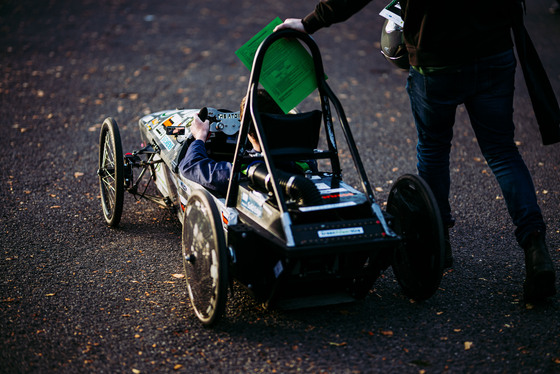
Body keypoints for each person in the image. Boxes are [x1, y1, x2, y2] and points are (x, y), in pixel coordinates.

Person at [274, 0, 557, 302]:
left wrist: (311, 22)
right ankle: (535, 246)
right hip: (493, 51)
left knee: (434, 148)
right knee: (502, 152)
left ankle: (439, 239)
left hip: (435, 57)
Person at [179, 89, 314, 195]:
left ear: (247, 131)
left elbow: (190, 166)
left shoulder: (240, 171)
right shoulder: (305, 163)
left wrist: (200, 136)